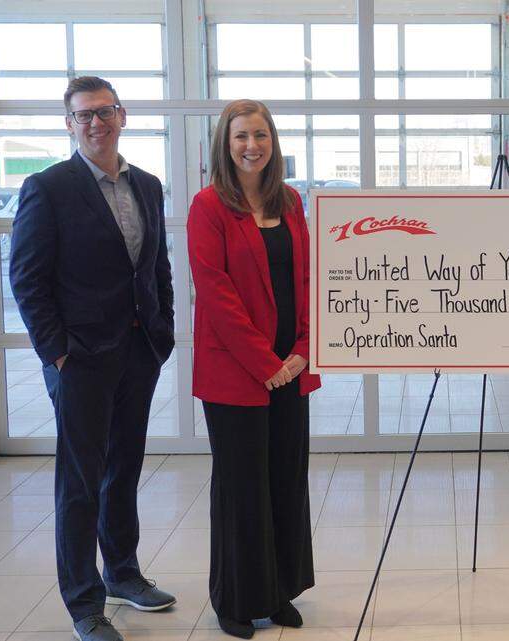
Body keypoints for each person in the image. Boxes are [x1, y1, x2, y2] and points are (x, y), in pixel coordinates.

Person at [9, 76, 176, 641]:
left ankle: (123, 573)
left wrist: (162, 331)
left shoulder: (148, 186)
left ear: (122, 116)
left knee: (123, 468)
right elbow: (27, 279)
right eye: (84, 116)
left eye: (105, 112)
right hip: (79, 358)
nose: (96, 123)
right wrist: (56, 353)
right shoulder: (48, 187)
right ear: (70, 125)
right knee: (79, 482)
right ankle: (85, 601)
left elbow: (155, 267)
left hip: (137, 350)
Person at [188, 99, 321, 639]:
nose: (251, 146)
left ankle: (279, 591)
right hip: (237, 373)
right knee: (242, 487)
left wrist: (304, 348)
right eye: (241, 136)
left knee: (285, 480)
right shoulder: (208, 206)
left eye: (260, 135)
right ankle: (237, 599)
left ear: (273, 141)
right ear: (225, 143)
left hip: (291, 367)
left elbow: (309, 279)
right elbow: (216, 294)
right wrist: (265, 363)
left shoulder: (289, 201)